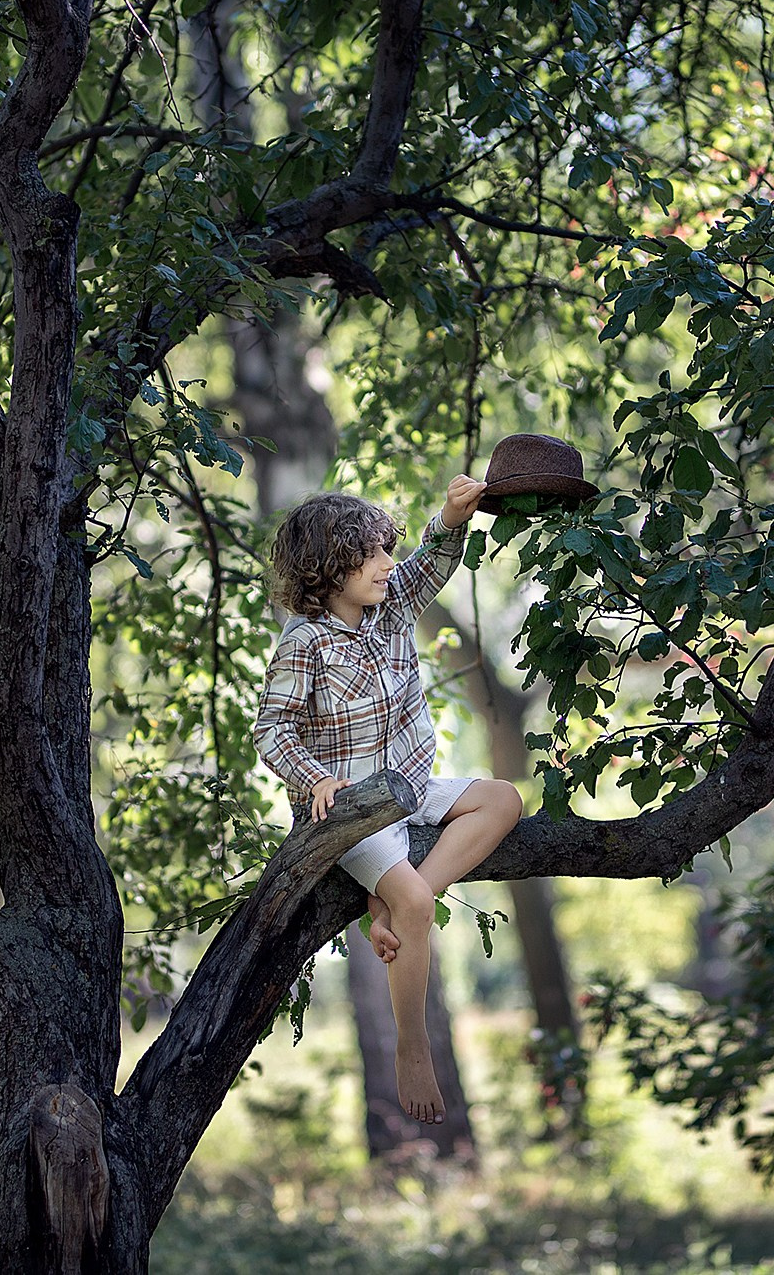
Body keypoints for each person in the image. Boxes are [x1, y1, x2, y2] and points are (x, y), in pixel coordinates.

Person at [253, 477, 523, 1124]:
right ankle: (411, 1045)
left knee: (504, 799)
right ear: (328, 567)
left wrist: (455, 516)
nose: (386, 565)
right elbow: (272, 728)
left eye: (385, 552)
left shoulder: (393, 604)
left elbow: (432, 559)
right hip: (349, 811)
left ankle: (390, 903)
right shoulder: (305, 641)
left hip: (407, 787)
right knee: (417, 904)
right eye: (371, 555)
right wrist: (313, 775)